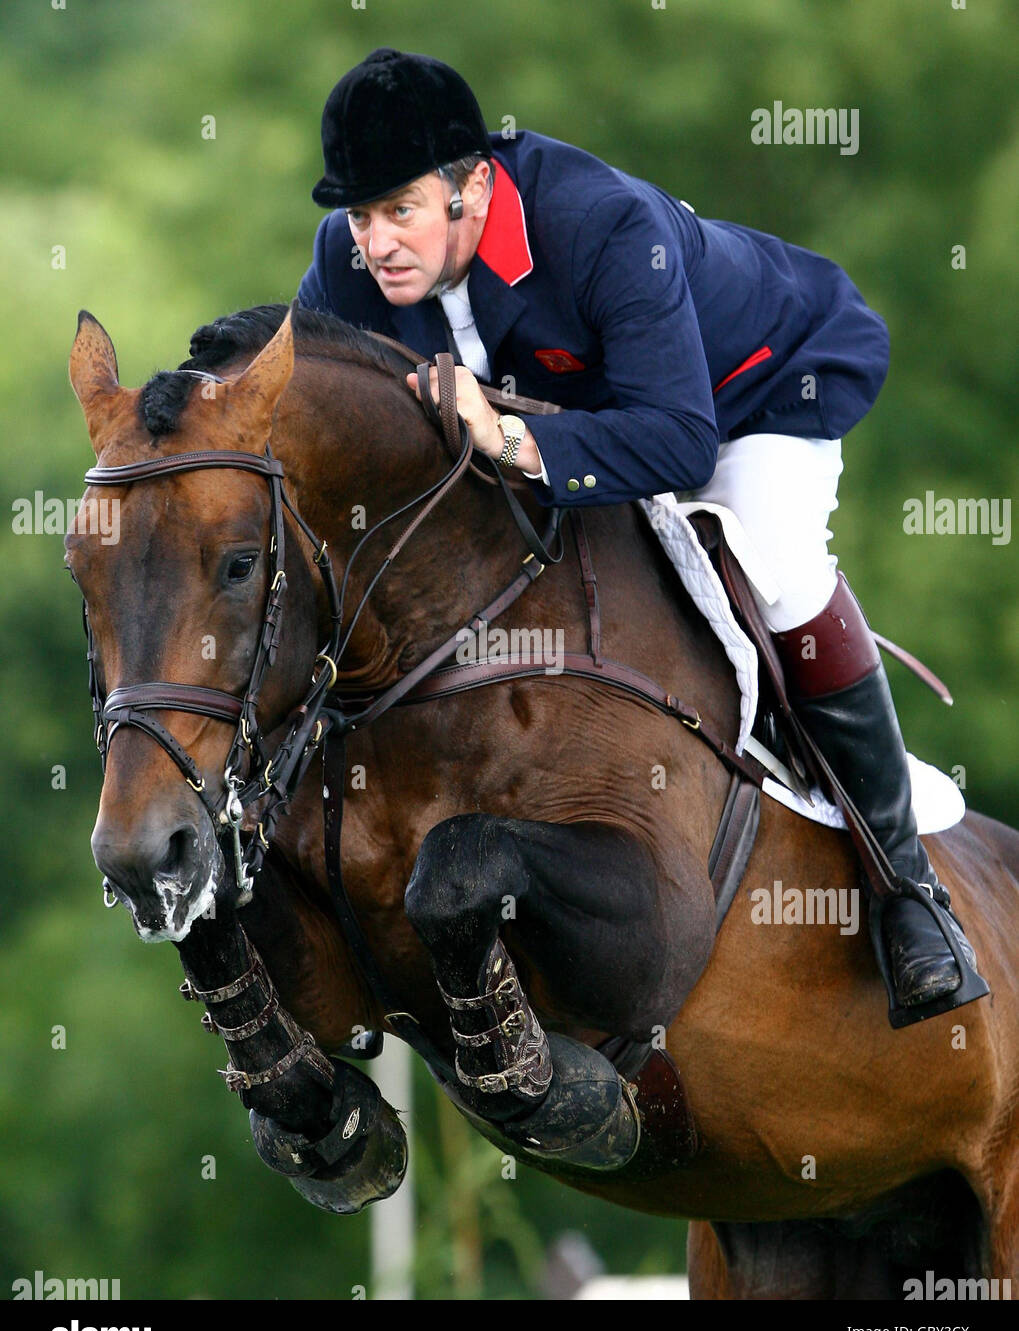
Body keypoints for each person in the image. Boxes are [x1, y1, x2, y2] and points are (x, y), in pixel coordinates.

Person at [297, 48, 985, 1112]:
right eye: (357, 217)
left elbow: (672, 443)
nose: (376, 242)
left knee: (774, 566)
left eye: (398, 211)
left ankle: (905, 890)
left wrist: (520, 449)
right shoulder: (348, 266)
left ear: (472, 184)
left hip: (754, 389)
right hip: (595, 420)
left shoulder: (598, 226)